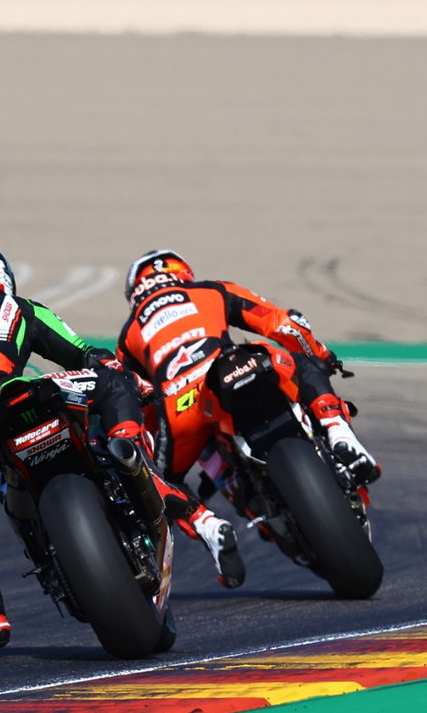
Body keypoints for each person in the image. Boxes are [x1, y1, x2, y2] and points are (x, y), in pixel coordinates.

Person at [0, 243, 207, 656]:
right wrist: (127, 382)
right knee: (111, 380)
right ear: (1, 277)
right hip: (15, 398)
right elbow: (84, 354)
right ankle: (144, 469)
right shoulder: (16, 308)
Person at [116, 249, 380, 582]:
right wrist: (322, 356)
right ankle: (338, 431)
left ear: (135, 293)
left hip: (182, 406)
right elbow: (284, 323)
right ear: (183, 274)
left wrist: (154, 449)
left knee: (160, 483)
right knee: (303, 363)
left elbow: (139, 404)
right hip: (238, 364)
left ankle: (208, 525)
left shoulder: (129, 334)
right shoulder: (210, 290)